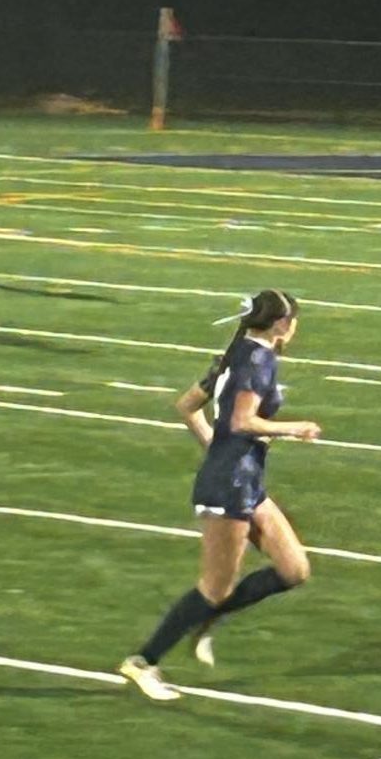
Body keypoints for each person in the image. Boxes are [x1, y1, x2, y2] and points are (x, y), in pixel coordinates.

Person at [119, 289, 320, 702]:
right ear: (283, 324)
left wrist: (214, 445)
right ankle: (143, 661)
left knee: (294, 569)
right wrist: (293, 428)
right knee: (214, 588)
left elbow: (187, 406)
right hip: (227, 486)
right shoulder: (257, 360)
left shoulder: (238, 355)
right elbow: (244, 420)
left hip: (244, 480)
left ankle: (207, 619)